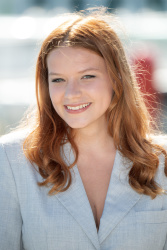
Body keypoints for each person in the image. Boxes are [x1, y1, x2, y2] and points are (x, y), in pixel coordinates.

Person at [0, 8, 167, 250]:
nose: (71, 93)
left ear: (117, 79)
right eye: (58, 79)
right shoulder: (9, 160)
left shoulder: (162, 161)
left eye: (87, 76)